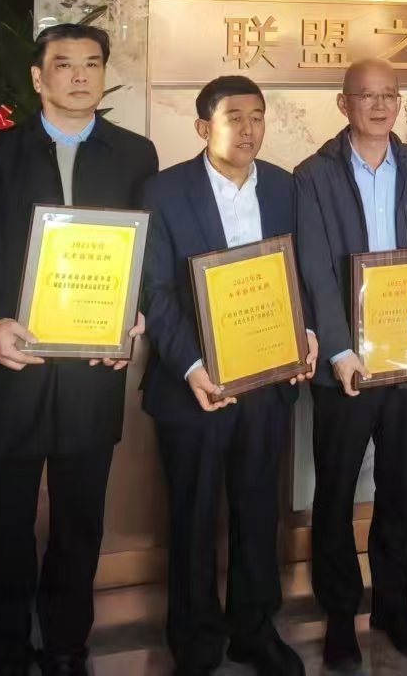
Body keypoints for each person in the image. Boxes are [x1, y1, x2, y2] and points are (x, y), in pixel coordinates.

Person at [0, 23, 159, 676]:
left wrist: (134, 313)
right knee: (5, 525)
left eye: (92, 63)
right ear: (38, 77)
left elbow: (147, 252)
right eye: (63, 64)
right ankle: (4, 650)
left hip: (90, 372)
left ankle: (66, 644)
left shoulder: (135, 155)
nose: (80, 75)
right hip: (10, 370)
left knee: (80, 521)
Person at [139, 76, 314, 676]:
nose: (248, 129)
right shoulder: (163, 192)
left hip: (267, 383)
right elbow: (156, 291)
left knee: (259, 511)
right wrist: (193, 365)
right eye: (234, 117)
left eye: (257, 116)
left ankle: (254, 630)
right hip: (193, 388)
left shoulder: (287, 187)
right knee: (192, 518)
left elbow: (304, 274)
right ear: (202, 127)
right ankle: (194, 641)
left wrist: (308, 333)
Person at [295, 59, 407, 672]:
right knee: (336, 489)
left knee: (398, 484)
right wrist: (338, 351)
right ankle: (340, 613)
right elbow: (314, 269)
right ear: (344, 104)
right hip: (347, 365)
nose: (380, 105)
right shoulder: (313, 175)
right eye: (367, 96)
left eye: (390, 94)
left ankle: (393, 603)